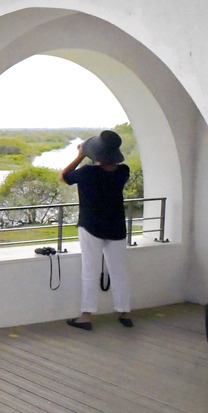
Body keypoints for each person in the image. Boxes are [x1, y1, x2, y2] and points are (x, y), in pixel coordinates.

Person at [59, 130, 133, 331]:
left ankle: (86, 316)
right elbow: (109, 170)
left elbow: (64, 177)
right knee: (119, 272)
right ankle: (125, 312)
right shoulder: (123, 172)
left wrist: (80, 155)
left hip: (91, 226)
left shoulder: (86, 173)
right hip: (116, 226)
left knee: (90, 271)